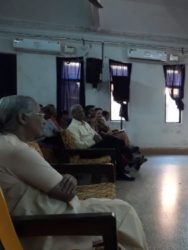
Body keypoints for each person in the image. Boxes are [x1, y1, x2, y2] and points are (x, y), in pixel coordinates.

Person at [0, 95, 148, 249]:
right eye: (40, 115)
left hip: (39, 218)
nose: (44, 120)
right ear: (23, 118)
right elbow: (66, 192)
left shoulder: (6, 143)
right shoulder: (15, 149)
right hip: (50, 224)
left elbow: (54, 182)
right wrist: (69, 179)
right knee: (124, 211)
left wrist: (67, 178)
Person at [67, 104, 137, 181]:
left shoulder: (85, 123)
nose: (82, 113)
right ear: (73, 114)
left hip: (96, 146)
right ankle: (129, 157)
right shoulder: (72, 127)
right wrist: (93, 140)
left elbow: (95, 134)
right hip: (87, 151)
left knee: (115, 145)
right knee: (112, 141)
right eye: (79, 112)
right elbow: (78, 145)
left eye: (82, 111)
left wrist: (98, 138)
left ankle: (121, 171)